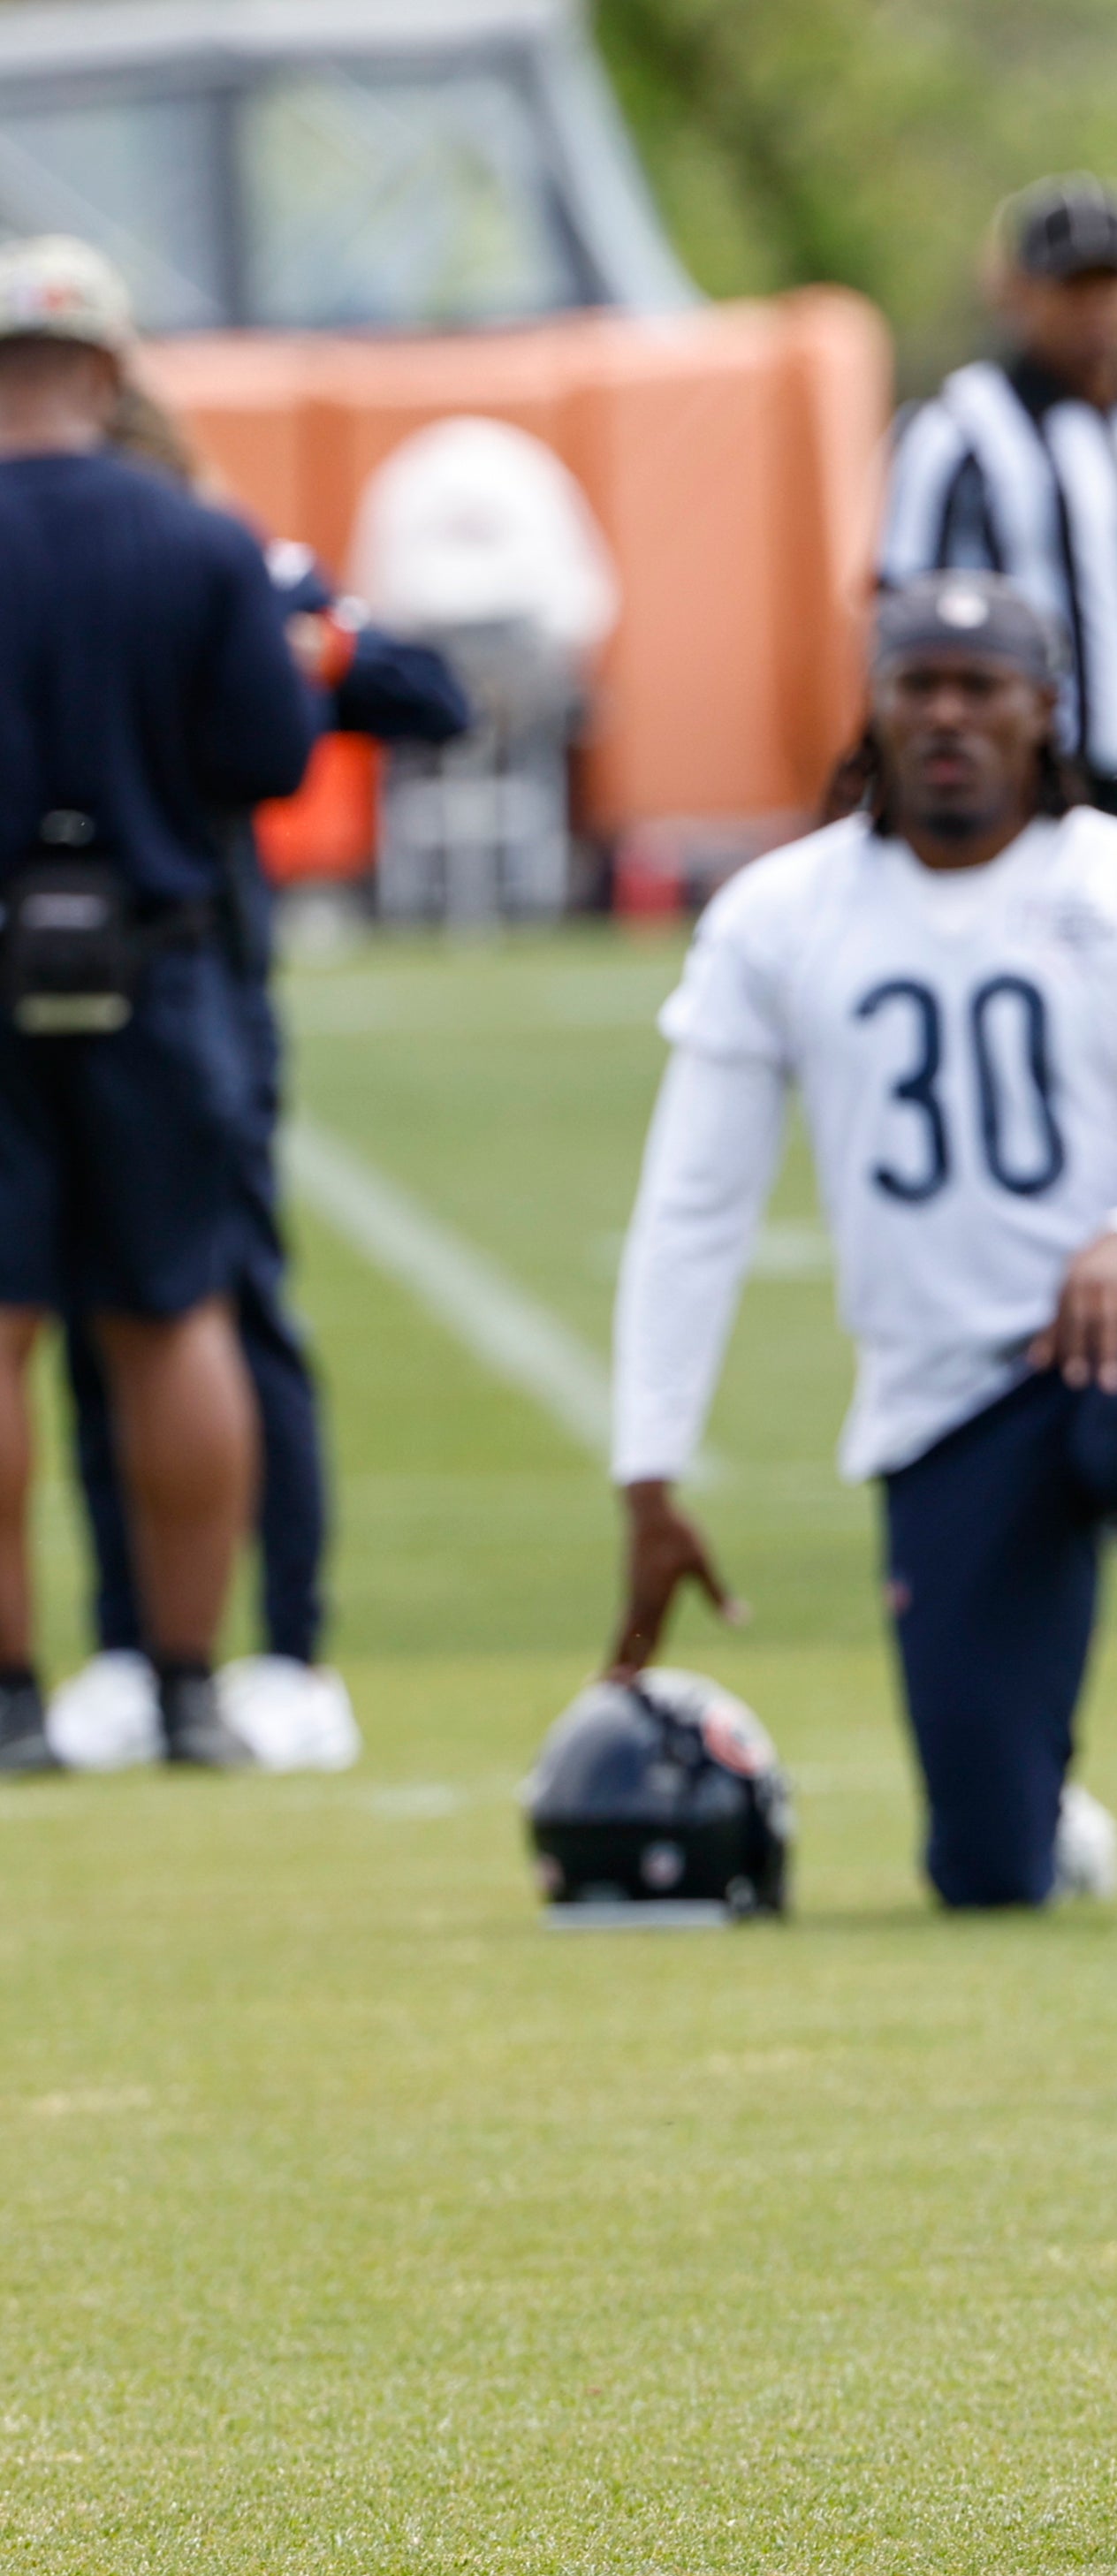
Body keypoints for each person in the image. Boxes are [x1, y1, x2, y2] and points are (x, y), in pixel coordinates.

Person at [606, 574, 1117, 1915]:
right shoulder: (779, 914)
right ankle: (1035, 1801)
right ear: (873, 708)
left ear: (1043, 711)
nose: (947, 714)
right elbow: (693, 1206)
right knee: (987, 1878)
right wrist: (649, 1472)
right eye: (918, 683)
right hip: (942, 1392)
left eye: (979, 686)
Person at [55, 376, 469, 1770]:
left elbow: (423, 694)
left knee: (220, 1311)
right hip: (137, 986)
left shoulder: (225, 562)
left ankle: (281, 1644)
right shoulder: (119, 562)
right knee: (121, 1322)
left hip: (204, 986)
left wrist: (315, 653)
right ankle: (139, 1647)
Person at [0, 235, 316, 1771]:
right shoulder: (196, 541)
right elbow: (270, 757)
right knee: (174, 1315)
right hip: (157, 957)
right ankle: (186, 1683)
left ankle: (8, 1696)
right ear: (109, 373)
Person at [878, 177, 1117, 859]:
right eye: (1071, 286)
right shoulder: (958, 429)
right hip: (1021, 795)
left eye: (1111, 284)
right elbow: (901, 617)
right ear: (1018, 291)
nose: (1096, 307)